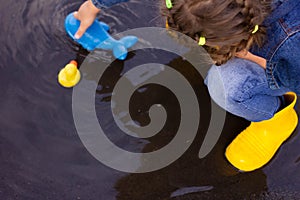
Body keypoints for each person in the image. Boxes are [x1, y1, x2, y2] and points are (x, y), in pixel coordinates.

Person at [74, 0, 300, 171]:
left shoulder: (291, 40)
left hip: (282, 55)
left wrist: (261, 62)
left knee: (228, 87)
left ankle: (275, 119)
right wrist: (95, 4)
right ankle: (200, 30)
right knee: (189, 19)